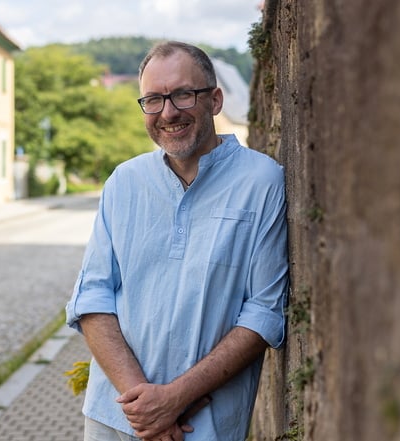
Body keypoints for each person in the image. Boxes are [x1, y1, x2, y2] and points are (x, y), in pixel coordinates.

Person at [66, 41, 289, 441]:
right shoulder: (124, 182)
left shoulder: (262, 181)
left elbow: (263, 313)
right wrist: (146, 406)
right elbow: (92, 297)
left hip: (206, 426)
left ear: (215, 99)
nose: (168, 112)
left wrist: (174, 399)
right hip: (114, 417)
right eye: (153, 99)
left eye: (183, 94)